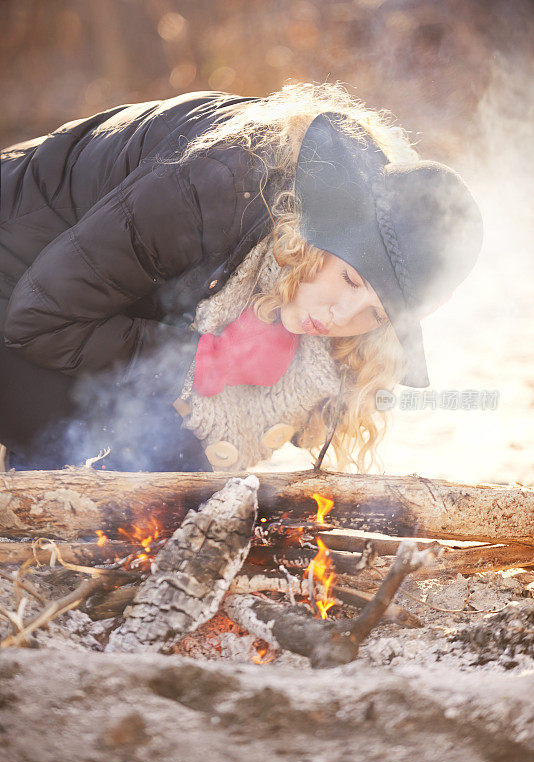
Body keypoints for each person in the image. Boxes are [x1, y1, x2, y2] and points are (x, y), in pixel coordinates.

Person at [0, 83, 483, 473]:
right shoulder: (222, 184)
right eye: (352, 280)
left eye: (376, 314)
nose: (342, 315)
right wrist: (205, 359)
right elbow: (39, 320)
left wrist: (292, 393)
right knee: (69, 446)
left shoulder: (308, 238)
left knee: (180, 478)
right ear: (336, 228)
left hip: (85, 299)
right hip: (21, 286)